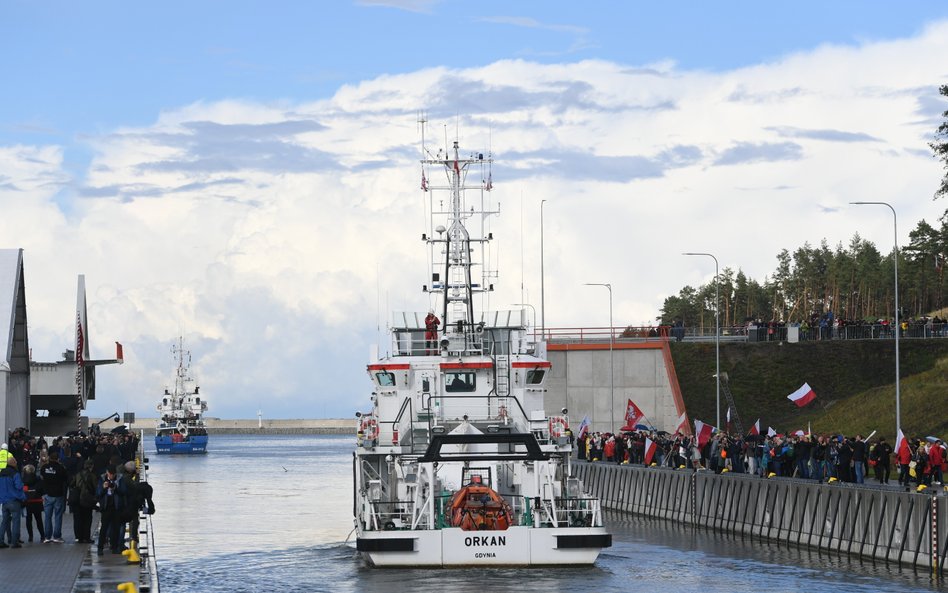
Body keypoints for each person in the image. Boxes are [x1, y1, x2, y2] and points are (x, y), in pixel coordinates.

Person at [39, 451, 69, 543]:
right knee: (58, 516)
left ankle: (47, 536)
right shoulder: (61, 468)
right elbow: (65, 479)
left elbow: (41, 477)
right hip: (58, 494)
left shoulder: (44, 468)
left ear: (49, 458)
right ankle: (57, 536)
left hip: (47, 494)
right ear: (58, 459)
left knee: (47, 516)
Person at [96, 465, 127, 554]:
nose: (111, 476)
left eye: (113, 475)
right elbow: (98, 494)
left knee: (116, 528)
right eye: (110, 474)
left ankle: (115, 547)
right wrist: (104, 488)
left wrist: (116, 488)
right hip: (106, 507)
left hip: (116, 507)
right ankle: (100, 548)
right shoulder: (102, 479)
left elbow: (124, 492)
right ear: (107, 472)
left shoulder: (120, 479)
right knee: (104, 528)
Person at [0, 456, 26, 548]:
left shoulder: (1, 473)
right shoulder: (15, 473)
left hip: (4, 501)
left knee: (4, 522)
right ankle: (15, 542)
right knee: (16, 521)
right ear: (14, 463)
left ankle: (1, 541)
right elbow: (19, 486)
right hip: (14, 501)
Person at [71, 459, 98, 543]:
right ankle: (86, 537)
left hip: (77, 499)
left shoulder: (77, 474)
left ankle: (78, 537)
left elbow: (71, 484)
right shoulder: (92, 476)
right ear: (91, 466)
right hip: (87, 500)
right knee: (87, 518)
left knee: (77, 518)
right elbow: (96, 487)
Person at [21, 464, 45, 543]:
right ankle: (42, 536)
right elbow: (42, 490)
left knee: (28, 520)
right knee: (39, 519)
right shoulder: (38, 479)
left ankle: (30, 537)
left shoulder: (23, 480)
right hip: (37, 501)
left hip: (27, 502)